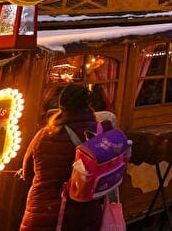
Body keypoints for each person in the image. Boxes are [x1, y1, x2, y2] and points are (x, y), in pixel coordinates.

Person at [19, 84, 109, 231]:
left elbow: (27, 173)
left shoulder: (44, 135)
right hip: (84, 214)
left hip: (43, 211)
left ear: (61, 105)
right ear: (88, 104)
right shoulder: (100, 135)